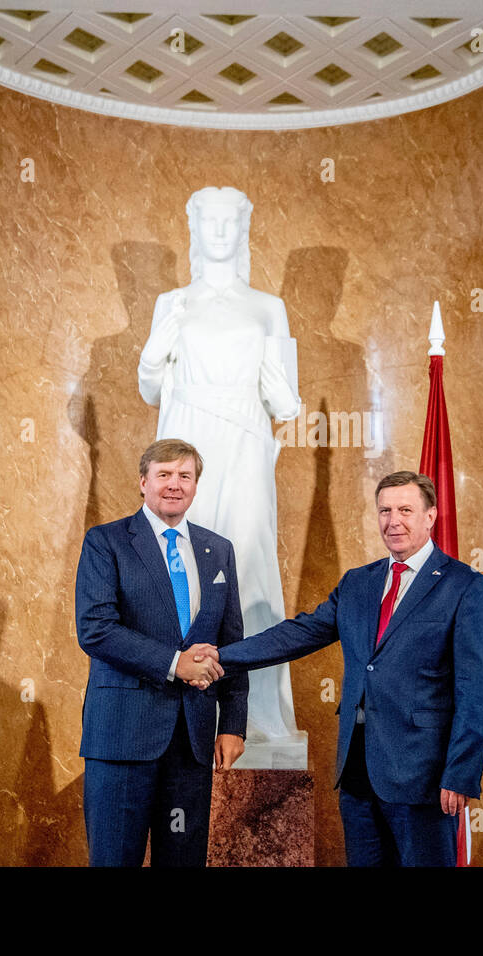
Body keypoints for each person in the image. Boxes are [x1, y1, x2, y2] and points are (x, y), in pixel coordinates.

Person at [199, 471, 483, 866]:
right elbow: (299, 634)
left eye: (406, 510)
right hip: (357, 774)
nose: (394, 521)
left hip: (424, 777)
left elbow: (476, 691)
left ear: (431, 516)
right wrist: (222, 656)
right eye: (385, 511)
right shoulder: (359, 583)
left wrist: (460, 774)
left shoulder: (465, 587)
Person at [138, 186, 303, 755]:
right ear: (193, 227)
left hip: (246, 442)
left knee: (250, 563)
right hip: (186, 436)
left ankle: (255, 714)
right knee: (177, 568)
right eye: (206, 220)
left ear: (242, 229)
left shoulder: (267, 307)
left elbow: (287, 403)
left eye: (228, 221)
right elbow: (149, 386)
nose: (217, 231)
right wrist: (157, 345)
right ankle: (179, 705)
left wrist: (278, 382)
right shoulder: (171, 302)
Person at [74, 438, 247, 866]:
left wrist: (234, 724)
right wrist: (175, 663)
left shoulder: (218, 550)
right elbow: (95, 630)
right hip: (121, 739)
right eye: (164, 474)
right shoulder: (106, 542)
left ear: (195, 485)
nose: (174, 484)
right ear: (143, 482)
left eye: (184, 476)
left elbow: (232, 643)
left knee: (183, 859)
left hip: (192, 741)